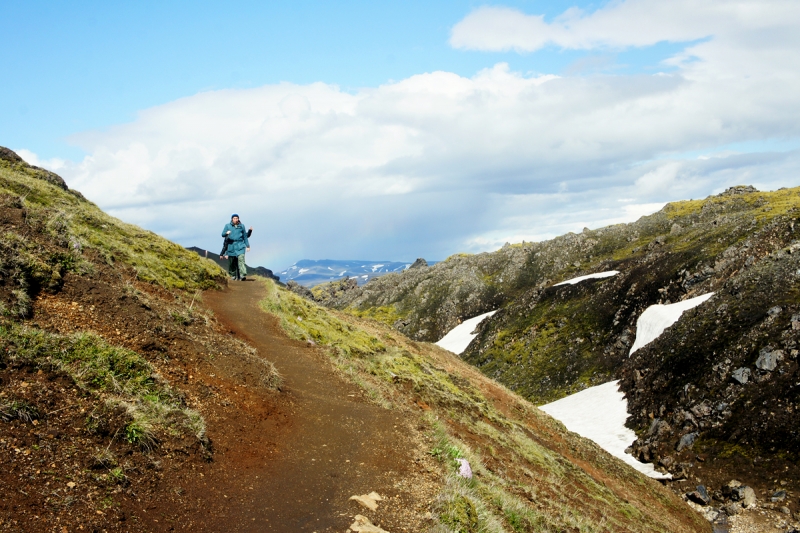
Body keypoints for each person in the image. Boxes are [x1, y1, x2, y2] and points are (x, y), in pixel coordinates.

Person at [220, 214, 251, 280]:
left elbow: (245, 236)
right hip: (231, 246)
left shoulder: (242, 226)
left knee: (241, 260)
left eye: (237, 218)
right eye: (234, 218)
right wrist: (226, 233)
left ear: (238, 219)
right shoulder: (227, 226)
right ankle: (233, 275)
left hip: (240, 245)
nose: (236, 219)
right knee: (232, 262)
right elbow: (222, 234)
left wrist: (248, 246)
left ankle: (243, 275)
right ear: (232, 219)